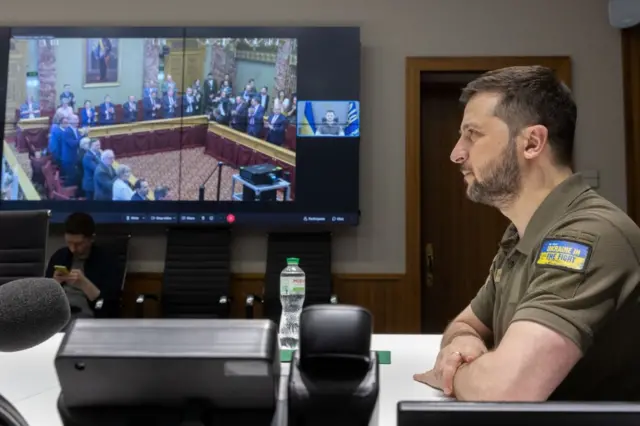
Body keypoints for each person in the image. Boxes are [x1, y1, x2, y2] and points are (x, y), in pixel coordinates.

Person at [413, 65, 640, 402]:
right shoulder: (524, 233)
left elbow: (508, 388)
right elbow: (467, 323)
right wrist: (463, 344)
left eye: (473, 134)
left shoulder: (588, 236)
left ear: (533, 142)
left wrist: (451, 374)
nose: (457, 153)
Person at [45, 212, 122, 319]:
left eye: (78, 244)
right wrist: (55, 284)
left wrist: (84, 284)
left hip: (87, 317)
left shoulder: (107, 261)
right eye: (69, 243)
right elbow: (45, 299)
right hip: (58, 315)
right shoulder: (59, 257)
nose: (73, 249)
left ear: (91, 239)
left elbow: (108, 305)